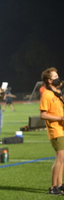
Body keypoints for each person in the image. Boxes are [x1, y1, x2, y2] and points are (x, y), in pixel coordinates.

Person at [40, 67, 64, 195]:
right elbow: (43, 115)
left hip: (62, 128)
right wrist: (60, 117)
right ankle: (53, 187)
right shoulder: (47, 94)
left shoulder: (57, 92)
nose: (58, 78)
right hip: (55, 130)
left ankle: (60, 185)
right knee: (60, 158)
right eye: (55, 77)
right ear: (49, 80)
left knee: (62, 158)